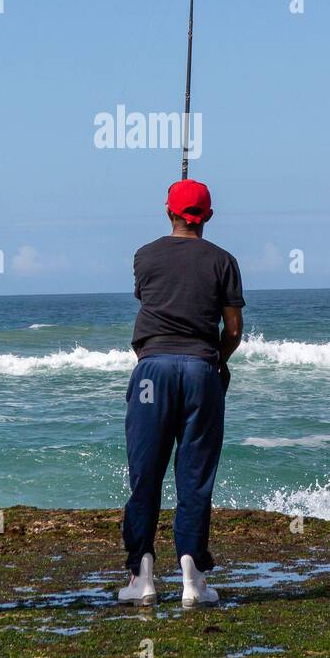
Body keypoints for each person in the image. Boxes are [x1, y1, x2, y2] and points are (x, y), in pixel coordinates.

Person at [117, 178, 244, 608]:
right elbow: (233, 330)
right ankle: (192, 576)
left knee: (145, 473)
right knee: (194, 477)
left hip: (152, 370)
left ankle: (143, 575)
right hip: (201, 372)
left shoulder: (144, 256)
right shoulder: (224, 261)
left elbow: (150, 294)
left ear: (167, 211)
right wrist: (216, 360)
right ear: (207, 216)